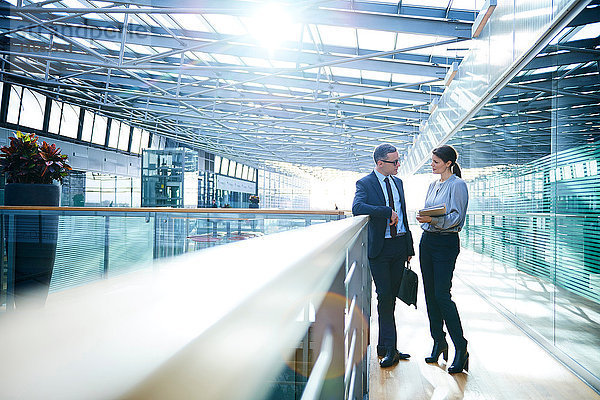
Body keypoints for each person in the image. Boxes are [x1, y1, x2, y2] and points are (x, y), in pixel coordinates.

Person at [352, 143, 415, 368]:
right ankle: (391, 348)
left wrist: (409, 248)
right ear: (380, 163)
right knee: (385, 297)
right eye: (394, 161)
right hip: (380, 249)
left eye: (398, 161)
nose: (398, 165)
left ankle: (385, 345)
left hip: (399, 246)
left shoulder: (398, 183)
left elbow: (404, 216)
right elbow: (357, 207)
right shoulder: (365, 183)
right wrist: (386, 211)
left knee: (391, 298)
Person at [416, 144, 469, 374]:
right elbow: (431, 214)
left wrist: (433, 220)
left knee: (441, 295)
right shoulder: (432, 185)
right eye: (432, 161)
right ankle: (438, 341)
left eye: (436, 162)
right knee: (430, 295)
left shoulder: (458, 185)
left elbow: (456, 218)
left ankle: (461, 346)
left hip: (446, 243)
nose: (432, 165)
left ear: (448, 163)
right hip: (427, 242)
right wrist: (425, 218)